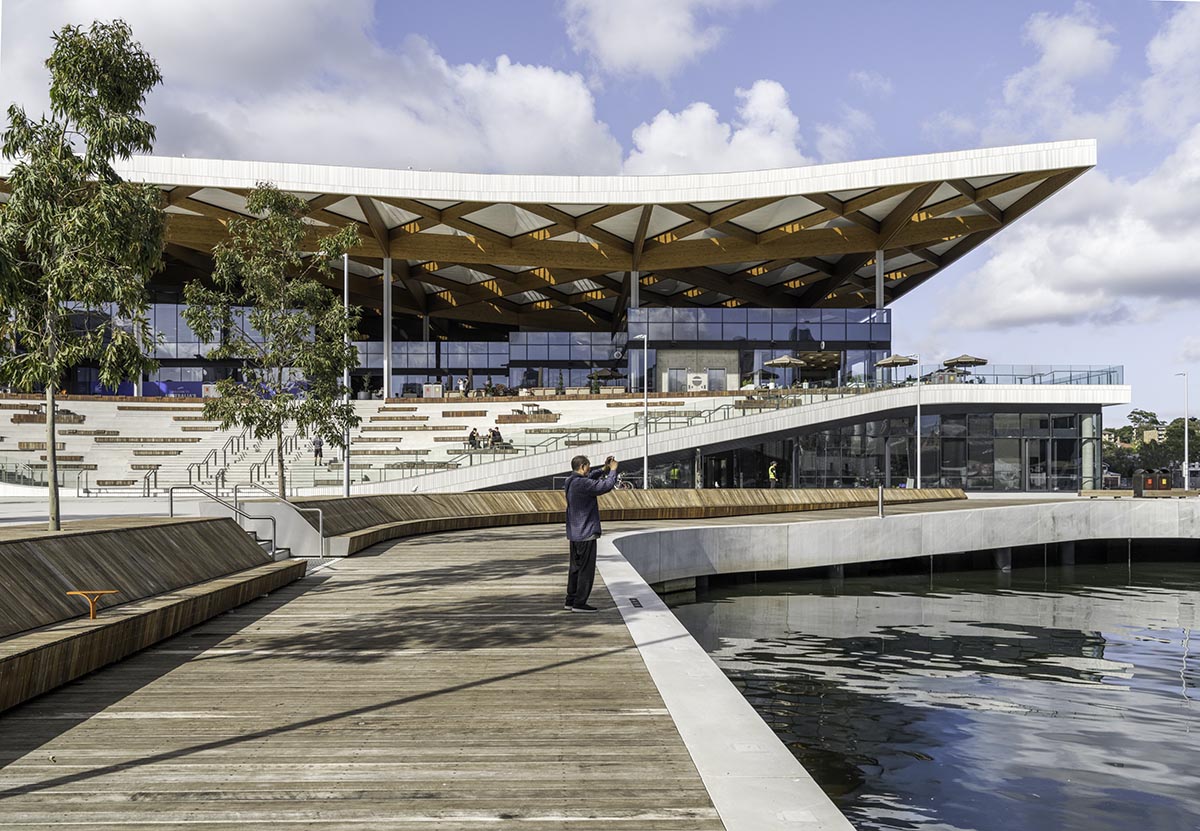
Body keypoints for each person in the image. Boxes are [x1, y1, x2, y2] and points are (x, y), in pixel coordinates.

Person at [563, 454, 618, 612]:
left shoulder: (570, 481)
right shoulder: (582, 484)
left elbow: (591, 477)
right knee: (586, 570)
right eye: (588, 466)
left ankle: (570, 600)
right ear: (582, 467)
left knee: (575, 568)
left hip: (574, 532)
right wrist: (613, 471)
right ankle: (580, 603)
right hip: (586, 531)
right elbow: (605, 486)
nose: (589, 469)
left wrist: (604, 468)